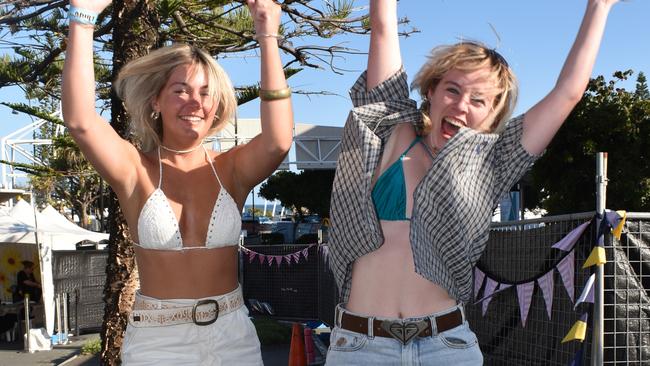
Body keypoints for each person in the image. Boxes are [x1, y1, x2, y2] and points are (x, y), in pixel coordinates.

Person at [326, 0, 621, 364]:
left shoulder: (492, 162)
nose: (462, 105)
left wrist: (600, 7)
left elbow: (568, 93)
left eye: (479, 100)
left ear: (494, 113)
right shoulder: (392, 129)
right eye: (452, 90)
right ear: (431, 91)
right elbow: (383, 24)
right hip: (361, 346)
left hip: (445, 346)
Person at [62, 0, 292, 364]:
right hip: (158, 339)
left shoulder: (231, 169)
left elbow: (279, 140)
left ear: (216, 106)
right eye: (180, 90)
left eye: (205, 93)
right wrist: (83, 16)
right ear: (156, 101)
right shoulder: (134, 169)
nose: (195, 102)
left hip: (233, 335)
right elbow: (80, 121)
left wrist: (267, 35)